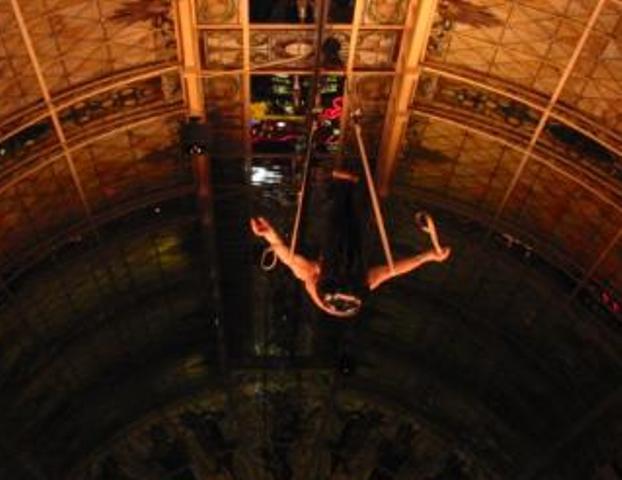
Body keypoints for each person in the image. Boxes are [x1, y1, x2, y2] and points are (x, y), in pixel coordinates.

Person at [250, 170, 451, 318]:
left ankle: (346, 188)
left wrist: (428, 256)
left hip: (345, 272)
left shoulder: (326, 280)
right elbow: (393, 270)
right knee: (346, 228)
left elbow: (290, 259)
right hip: (344, 270)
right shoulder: (331, 280)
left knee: (345, 229)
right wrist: (427, 256)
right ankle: (347, 188)